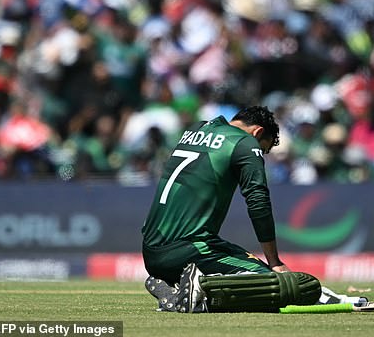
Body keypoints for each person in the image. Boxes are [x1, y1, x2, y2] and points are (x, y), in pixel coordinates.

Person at [141, 106, 361, 313]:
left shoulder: (196, 128)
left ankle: (175, 287)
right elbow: (258, 202)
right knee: (281, 284)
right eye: (264, 149)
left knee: (248, 263)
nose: (260, 154)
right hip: (190, 247)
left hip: (153, 249)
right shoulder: (246, 143)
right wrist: (274, 261)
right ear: (258, 132)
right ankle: (201, 295)